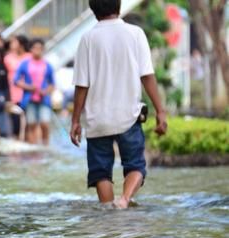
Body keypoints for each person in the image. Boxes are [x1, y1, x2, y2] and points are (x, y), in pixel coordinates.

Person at [70, 0, 168, 209]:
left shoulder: (87, 39)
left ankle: (108, 214)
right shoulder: (135, 34)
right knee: (135, 166)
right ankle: (123, 200)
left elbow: (81, 85)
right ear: (119, 6)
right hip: (128, 116)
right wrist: (161, 110)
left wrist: (75, 121)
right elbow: (147, 75)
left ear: (93, 10)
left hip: (97, 120)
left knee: (100, 172)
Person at [14, 39, 55, 145]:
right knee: (31, 123)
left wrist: (46, 91)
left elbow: (52, 84)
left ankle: (45, 145)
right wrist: (28, 87)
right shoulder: (24, 64)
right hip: (29, 99)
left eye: (40, 48)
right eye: (35, 48)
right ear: (31, 49)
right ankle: (33, 145)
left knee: (45, 123)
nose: (37, 51)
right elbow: (16, 80)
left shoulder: (48, 65)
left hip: (43, 99)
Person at [4, 35, 31, 139]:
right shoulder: (8, 58)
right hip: (13, 94)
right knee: (15, 122)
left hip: (28, 94)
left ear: (21, 44)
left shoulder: (30, 57)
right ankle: (16, 141)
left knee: (29, 122)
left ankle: (28, 142)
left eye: (14, 42)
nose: (11, 45)